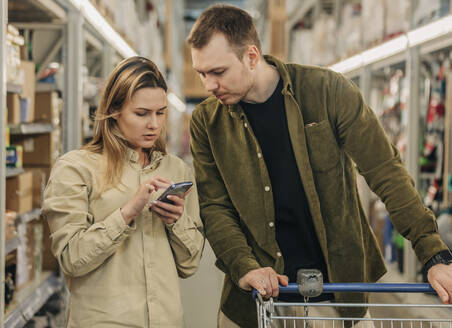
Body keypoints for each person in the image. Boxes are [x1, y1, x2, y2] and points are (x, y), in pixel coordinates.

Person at [187, 4, 452, 328]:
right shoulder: (206, 122)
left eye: (218, 72)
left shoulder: (327, 91)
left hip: (337, 296)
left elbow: (386, 171)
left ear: (252, 57)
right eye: (201, 73)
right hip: (255, 305)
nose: (208, 86)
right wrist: (244, 266)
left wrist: (433, 254)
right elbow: (216, 206)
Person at [42, 56, 204, 328]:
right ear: (114, 111)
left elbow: (190, 264)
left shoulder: (176, 170)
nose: (154, 124)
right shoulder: (76, 168)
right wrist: (127, 212)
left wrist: (176, 222)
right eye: (141, 114)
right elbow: (71, 259)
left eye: (161, 112)